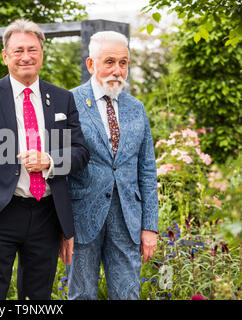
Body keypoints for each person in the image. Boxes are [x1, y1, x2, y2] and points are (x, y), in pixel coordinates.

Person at [0, 19, 89, 300]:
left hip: (46, 216)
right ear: (5, 57)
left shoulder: (63, 99)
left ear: (42, 54)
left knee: (37, 299)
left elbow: (80, 153)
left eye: (32, 49)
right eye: (18, 51)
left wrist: (50, 161)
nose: (26, 56)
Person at [66, 31, 159, 300]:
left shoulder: (136, 108)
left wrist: (150, 226)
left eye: (123, 63)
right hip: (81, 219)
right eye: (109, 62)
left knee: (128, 295)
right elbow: (60, 164)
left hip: (128, 219)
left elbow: (147, 169)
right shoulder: (69, 102)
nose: (117, 70)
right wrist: (61, 224)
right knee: (81, 295)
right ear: (91, 64)